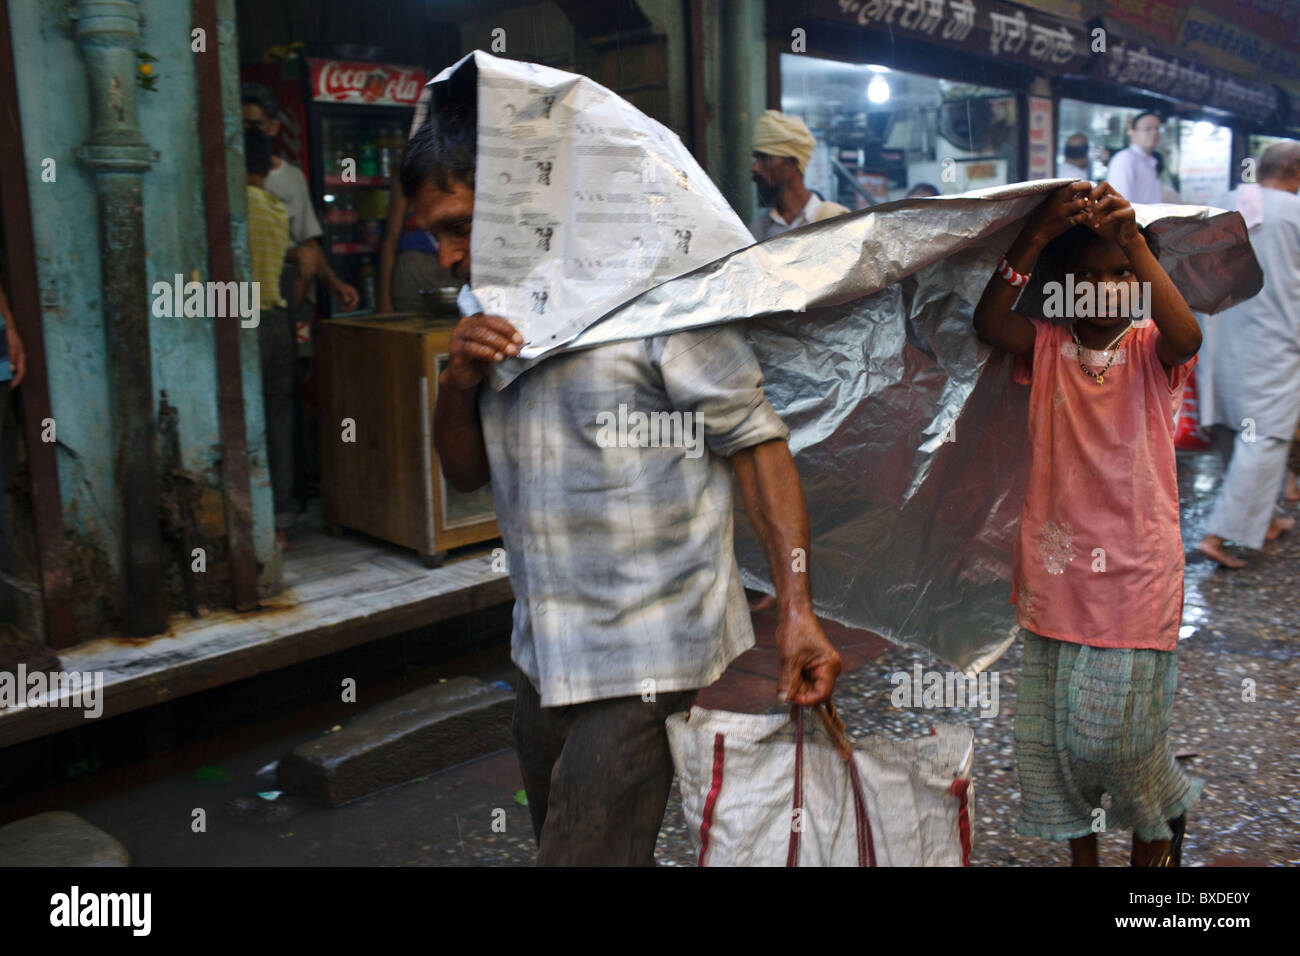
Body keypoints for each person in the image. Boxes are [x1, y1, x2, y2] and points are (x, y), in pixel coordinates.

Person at [402, 94, 842, 865]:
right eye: (434, 233)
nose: (446, 257)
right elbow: (466, 474)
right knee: (573, 841)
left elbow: (756, 445)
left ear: (519, 202)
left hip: (651, 648)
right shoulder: (488, 310)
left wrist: (797, 611)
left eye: (458, 227)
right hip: (542, 649)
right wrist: (457, 382)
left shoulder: (661, 300)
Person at [973, 180, 1203, 866]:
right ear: (1059, 289)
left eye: (1122, 276)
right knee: (1054, 747)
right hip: (1058, 572)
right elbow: (990, 321)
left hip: (1137, 572)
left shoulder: (1153, 349)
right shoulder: (1046, 344)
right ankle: (1084, 860)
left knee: (1123, 744)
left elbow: (1187, 331)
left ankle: (1163, 822)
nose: (1105, 291)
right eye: (1085, 278)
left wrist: (1133, 238)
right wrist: (1036, 235)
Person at [1197, 141, 1300, 567]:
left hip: (1219, 336)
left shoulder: (1221, 204)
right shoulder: (1295, 213)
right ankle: (1223, 534)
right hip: (1275, 342)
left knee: (1230, 427)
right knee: (1264, 437)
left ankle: (1267, 518)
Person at [246, 126, 303, 552]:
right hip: (277, 320)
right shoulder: (276, 209)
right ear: (268, 165)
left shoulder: (232, 208)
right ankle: (280, 520)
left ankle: (253, 521)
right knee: (279, 420)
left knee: (248, 420)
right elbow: (295, 267)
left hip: (241, 320)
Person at [749, 110, 849, 240]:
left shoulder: (834, 220)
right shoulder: (759, 231)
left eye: (765, 159)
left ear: (791, 164)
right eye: (756, 159)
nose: (755, 168)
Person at [378, 184, 456, 314]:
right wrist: (384, 302)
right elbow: (390, 240)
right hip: (414, 271)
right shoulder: (407, 174)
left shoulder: (472, 169)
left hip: (454, 272)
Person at [1105, 112, 1163, 204]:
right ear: (1132, 132)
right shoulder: (1125, 158)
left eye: (1157, 128)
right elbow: (1120, 204)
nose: (1154, 133)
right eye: (1148, 129)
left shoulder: (1151, 160)